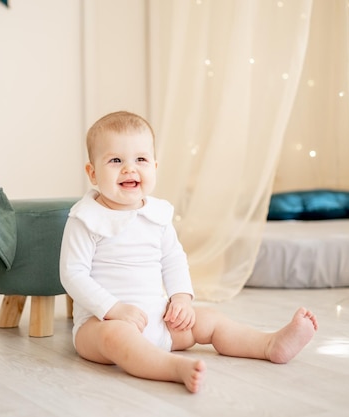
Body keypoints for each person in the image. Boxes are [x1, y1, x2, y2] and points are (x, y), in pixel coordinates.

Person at [59, 111, 318, 393]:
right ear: (93, 172)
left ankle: (268, 344)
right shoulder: (86, 218)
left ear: (155, 167)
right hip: (100, 326)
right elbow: (73, 275)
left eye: (141, 160)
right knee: (117, 337)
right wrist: (114, 309)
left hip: (158, 320)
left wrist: (181, 298)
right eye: (116, 160)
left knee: (210, 319)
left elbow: (173, 259)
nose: (129, 169)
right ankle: (172, 368)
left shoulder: (157, 215)